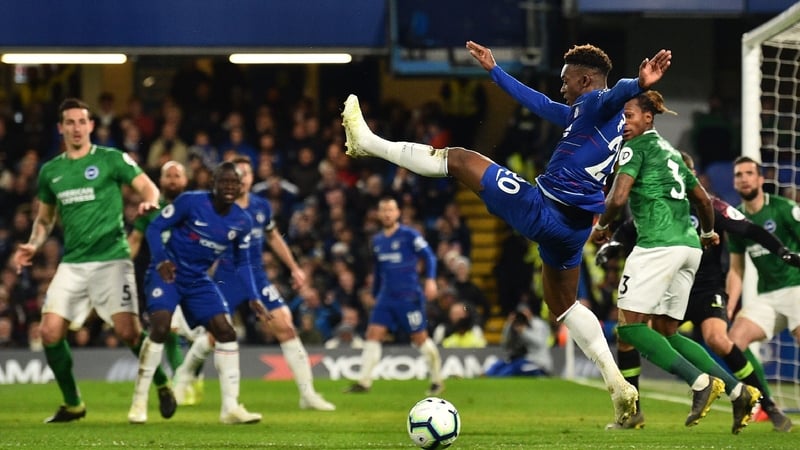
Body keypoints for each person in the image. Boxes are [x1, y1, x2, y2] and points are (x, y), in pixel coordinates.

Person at [341, 40, 674, 424]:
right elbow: (540, 105)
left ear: (585, 80)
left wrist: (639, 83)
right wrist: (494, 71)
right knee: (563, 303)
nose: (562, 87)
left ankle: (368, 144)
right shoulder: (591, 114)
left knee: (460, 159)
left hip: (545, 209)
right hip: (574, 229)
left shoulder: (600, 101)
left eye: (567, 81)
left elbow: (615, 92)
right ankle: (616, 384)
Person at [590, 91, 760, 434]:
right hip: (689, 248)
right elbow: (701, 198)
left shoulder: (635, 148)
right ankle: (740, 390)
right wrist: (709, 232)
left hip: (657, 245)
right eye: (623, 117)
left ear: (648, 118)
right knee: (666, 330)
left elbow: (618, 197)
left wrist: (604, 226)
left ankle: (699, 383)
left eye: (631, 116)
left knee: (628, 328)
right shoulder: (672, 152)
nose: (625, 123)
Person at [596, 151, 796, 432]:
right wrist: (610, 248)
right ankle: (637, 412)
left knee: (716, 338)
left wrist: (781, 251)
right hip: (673, 285)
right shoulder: (657, 207)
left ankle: (765, 404)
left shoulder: (710, 205)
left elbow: (750, 229)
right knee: (640, 335)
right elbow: (627, 230)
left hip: (705, 287)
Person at [11, 98, 177, 423]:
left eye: (82, 121)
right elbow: (44, 219)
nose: (76, 128)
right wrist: (33, 243)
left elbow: (149, 188)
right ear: (61, 128)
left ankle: (161, 382)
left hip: (113, 259)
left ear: (91, 125)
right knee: (48, 332)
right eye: (69, 122)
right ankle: (73, 404)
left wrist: (148, 205)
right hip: (73, 262)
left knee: (129, 333)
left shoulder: (111, 159)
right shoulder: (51, 171)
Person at [171, 155, 335, 411]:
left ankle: (308, 394)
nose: (242, 179)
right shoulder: (218, 207)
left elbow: (273, 238)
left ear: (251, 178)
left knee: (286, 327)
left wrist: (293, 267)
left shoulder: (261, 206)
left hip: (257, 276)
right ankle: (185, 374)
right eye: (237, 174)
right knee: (215, 336)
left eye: (246, 174)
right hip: (226, 277)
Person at [128, 161, 263, 425]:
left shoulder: (241, 221)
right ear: (212, 183)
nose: (229, 187)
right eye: (223, 182)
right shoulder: (191, 202)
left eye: (234, 183)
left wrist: (254, 295)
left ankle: (230, 408)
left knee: (226, 331)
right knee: (161, 327)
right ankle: (139, 402)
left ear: (240, 187)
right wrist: (161, 260)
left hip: (197, 279)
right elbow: (155, 228)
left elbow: (243, 262)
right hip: (168, 272)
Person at [726, 155, 800, 430]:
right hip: (766, 296)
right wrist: (730, 305)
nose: (744, 178)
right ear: (734, 182)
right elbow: (736, 269)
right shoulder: (735, 218)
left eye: (749, 173)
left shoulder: (784, 209)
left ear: (760, 179)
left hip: (796, 288)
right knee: (732, 342)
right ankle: (768, 406)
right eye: (738, 174)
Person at [344, 196, 444, 395]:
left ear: (398, 213)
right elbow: (379, 269)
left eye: (391, 209)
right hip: (386, 297)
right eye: (384, 210)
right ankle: (364, 382)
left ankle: (437, 380)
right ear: (379, 214)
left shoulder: (409, 235)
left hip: (409, 296)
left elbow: (430, 256)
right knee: (373, 334)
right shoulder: (378, 240)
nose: (387, 213)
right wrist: (374, 294)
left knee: (419, 337)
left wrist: (431, 280)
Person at [128, 160, 191, 374]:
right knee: (168, 328)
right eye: (168, 175)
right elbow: (135, 240)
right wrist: (121, 265)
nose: (172, 180)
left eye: (177, 175)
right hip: (162, 277)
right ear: (160, 181)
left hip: (192, 275)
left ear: (186, 180)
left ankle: (189, 375)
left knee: (201, 333)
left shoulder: (195, 208)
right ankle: (182, 381)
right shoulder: (151, 211)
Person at [484, 304, 553, 377]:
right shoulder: (517, 325)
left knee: (511, 369)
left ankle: (497, 380)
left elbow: (539, 343)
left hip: (538, 364)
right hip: (521, 361)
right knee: (499, 365)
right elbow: (505, 346)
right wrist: (509, 324)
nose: (522, 317)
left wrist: (523, 331)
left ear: (529, 312)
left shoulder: (538, 324)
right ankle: (486, 378)